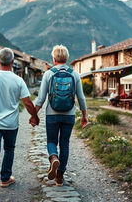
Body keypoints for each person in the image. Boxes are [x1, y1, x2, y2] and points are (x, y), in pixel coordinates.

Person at [0, 47, 39, 196]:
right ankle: (5, 178)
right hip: (11, 124)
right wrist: (34, 116)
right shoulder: (18, 80)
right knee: (9, 149)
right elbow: (28, 103)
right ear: (12, 62)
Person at [35, 45, 88, 186]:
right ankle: (60, 176)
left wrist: (34, 115)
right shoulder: (75, 74)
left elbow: (40, 98)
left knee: (51, 141)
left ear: (53, 58)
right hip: (69, 114)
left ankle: (53, 158)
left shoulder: (48, 74)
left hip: (52, 114)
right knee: (64, 144)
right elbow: (81, 98)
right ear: (67, 58)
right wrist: (84, 115)